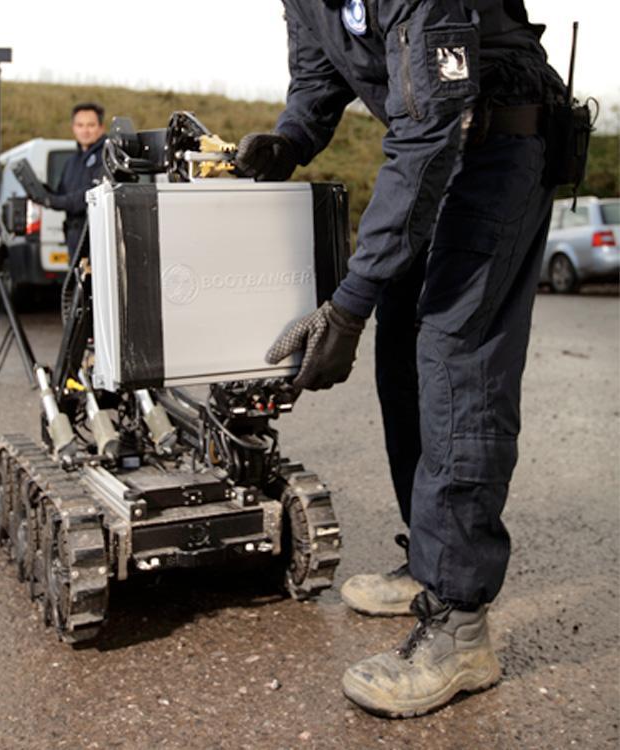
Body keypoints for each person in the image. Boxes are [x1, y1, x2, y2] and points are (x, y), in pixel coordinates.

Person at [236, 0, 566, 718]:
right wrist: (291, 138)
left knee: (455, 353)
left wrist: (346, 304)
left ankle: (460, 624)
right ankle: (430, 557)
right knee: (401, 344)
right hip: (440, 143)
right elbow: (320, 76)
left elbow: (427, 130)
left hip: (502, 142)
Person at [39, 102, 107, 257]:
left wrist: (52, 201)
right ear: (73, 128)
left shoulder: (106, 157)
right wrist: (42, 193)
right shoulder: (71, 162)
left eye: (91, 125)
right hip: (73, 238)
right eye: (80, 125)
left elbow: (89, 195)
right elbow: (62, 194)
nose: (85, 130)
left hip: (96, 237)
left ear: (101, 128)